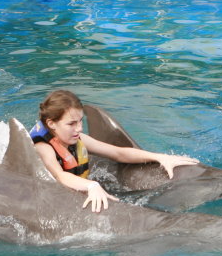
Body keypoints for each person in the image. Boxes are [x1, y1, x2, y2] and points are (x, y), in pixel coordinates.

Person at [29, 89, 199, 213]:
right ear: (51, 124)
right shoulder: (43, 148)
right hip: (50, 196)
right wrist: (92, 185)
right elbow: (60, 176)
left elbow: (118, 153)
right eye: (71, 124)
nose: (79, 128)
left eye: (81, 121)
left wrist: (159, 157)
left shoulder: (76, 139)